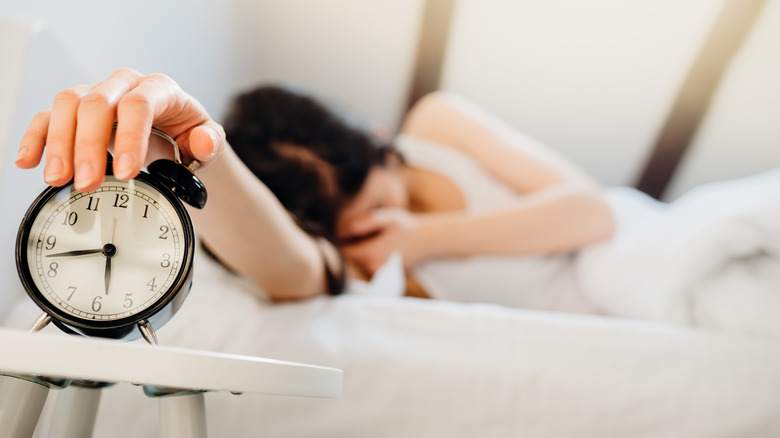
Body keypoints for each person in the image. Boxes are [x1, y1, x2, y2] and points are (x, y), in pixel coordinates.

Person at [15, 69, 615, 307]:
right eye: (367, 220)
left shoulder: (437, 124)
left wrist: (424, 236)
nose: (389, 219)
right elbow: (295, 267)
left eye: (383, 201)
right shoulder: (359, 251)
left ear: (382, 141)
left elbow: (594, 214)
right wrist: (198, 161)